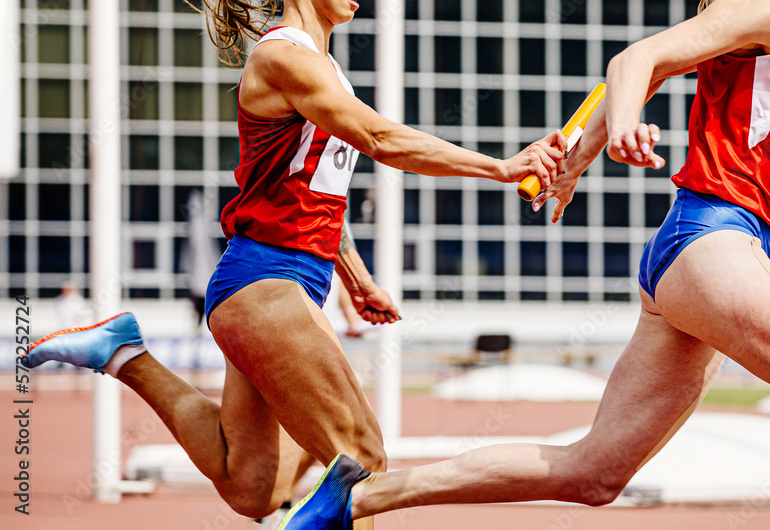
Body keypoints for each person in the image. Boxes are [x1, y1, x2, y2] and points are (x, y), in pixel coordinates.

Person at [262, 0, 770, 528]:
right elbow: (635, 61)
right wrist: (619, 130)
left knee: (592, 474)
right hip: (715, 243)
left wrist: (574, 161)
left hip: (706, 256)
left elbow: (662, 68)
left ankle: (357, 496)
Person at [20, 1, 566, 529]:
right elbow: (380, 139)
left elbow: (314, 191)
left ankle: (124, 354)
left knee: (253, 487)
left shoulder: (324, 69)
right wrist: (500, 166)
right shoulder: (284, 58)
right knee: (359, 460)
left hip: (277, 288)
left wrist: (356, 277)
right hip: (265, 283)